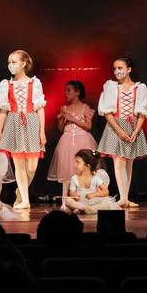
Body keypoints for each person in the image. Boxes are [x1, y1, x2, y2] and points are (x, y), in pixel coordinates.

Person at [96, 56, 147, 208]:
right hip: (115, 126)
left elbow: (142, 113)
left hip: (132, 126)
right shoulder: (111, 86)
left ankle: (125, 197)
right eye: (115, 68)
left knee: (129, 163)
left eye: (120, 68)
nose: (116, 71)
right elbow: (107, 113)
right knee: (119, 162)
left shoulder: (140, 88)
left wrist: (136, 131)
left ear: (129, 69)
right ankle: (123, 198)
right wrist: (119, 131)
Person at [0, 50, 47, 210]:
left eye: (14, 62)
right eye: (9, 62)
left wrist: (42, 131)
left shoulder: (34, 83)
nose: (10, 65)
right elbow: (3, 110)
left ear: (23, 63)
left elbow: (40, 108)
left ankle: (21, 191)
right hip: (13, 122)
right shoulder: (6, 84)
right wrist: (0, 131)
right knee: (19, 164)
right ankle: (25, 200)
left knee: (31, 166)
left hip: (31, 121)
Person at [47, 81, 97, 210]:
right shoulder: (64, 108)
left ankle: (83, 200)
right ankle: (65, 202)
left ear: (77, 92)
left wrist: (73, 119)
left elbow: (88, 126)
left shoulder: (85, 107)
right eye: (66, 90)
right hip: (67, 140)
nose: (66, 93)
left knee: (82, 170)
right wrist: (61, 118)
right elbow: (60, 128)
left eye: (69, 90)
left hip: (82, 139)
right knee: (65, 170)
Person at [64, 149, 120, 214]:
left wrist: (94, 194)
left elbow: (106, 192)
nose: (75, 165)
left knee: (106, 204)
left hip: (93, 201)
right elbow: (72, 192)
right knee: (67, 200)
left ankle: (89, 209)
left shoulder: (95, 178)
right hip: (79, 202)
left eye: (78, 162)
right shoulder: (74, 178)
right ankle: (83, 208)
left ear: (88, 166)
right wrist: (75, 195)